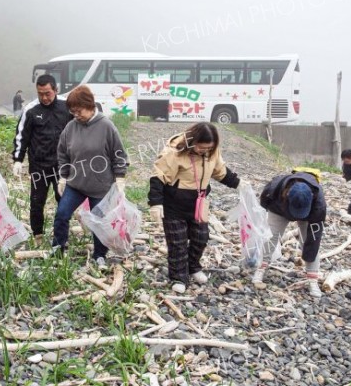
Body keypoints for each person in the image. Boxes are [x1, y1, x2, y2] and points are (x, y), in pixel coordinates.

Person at [148, 123, 242, 294]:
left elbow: (220, 172)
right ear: (193, 141)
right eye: (201, 147)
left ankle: (193, 267)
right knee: (178, 242)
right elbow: (158, 176)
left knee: (201, 237)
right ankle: (178, 277)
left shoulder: (211, 152)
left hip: (199, 202)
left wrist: (239, 184)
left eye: (209, 148)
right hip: (174, 203)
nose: (204, 151)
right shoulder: (174, 151)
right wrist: (155, 203)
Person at [52, 85, 127, 268]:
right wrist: (63, 176)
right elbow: (63, 152)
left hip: (100, 186)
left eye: (79, 111)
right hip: (76, 184)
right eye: (73, 112)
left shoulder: (106, 126)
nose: (76, 115)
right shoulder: (71, 127)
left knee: (99, 222)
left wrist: (120, 178)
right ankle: (57, 248)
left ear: (90, 105)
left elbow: (119, 154)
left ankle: (99, 255)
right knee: (61, 214)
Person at [12, 75, 72, 245]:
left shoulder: (66, 106)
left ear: (56, 90)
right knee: (37, 202)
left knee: (64, 202)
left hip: (62, 166)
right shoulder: (31, 110)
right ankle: (38, 236)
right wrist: (18, 159)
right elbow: (21, 136)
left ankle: (61, 238)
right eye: (40, 94)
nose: (44, 98)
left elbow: (79, 130)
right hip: (39, 165)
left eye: (48, 93)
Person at [253, 171, 326, 298]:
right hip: (279, 209)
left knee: (309, 240)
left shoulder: (318, 205)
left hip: (309, 214)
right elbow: (263, 203)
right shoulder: (274, 188)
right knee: (270, 237)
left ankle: (313, 279)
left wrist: (309, 254)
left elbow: (314, 240)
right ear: (286, 194)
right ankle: (261, 268)